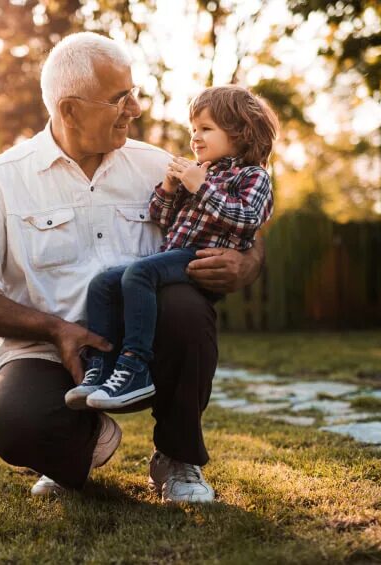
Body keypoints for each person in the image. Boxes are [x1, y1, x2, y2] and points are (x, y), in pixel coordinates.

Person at [0, 32, 265, 503]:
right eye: (120, 98)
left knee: (187, 308)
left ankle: (177, 458)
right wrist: (56, 331)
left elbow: (243, 226)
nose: (135, 108)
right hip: (50, 354)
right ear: (69, 110)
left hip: (145, 344)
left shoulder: (161, 167)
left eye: (133, 93)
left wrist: (246, 264)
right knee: (11, 420)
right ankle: (82, 440)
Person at [68, 85, 278, 411]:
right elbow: (162, 218)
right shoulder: (198, 172)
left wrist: (202, 187)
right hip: (173, 254)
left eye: (206, 129)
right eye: (193, 129)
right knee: (104, 283)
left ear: (240, 132)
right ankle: (102, 368)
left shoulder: (253, 177)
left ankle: (135, 367)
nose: (195, 137)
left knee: (138, 274)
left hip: (200, 258)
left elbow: (247, 219)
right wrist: (169, 187)